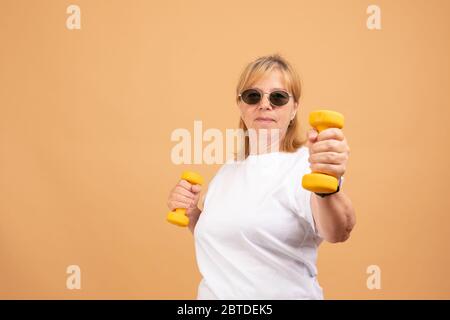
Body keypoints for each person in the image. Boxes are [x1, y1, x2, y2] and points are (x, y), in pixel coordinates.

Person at [167, 54, 356, 299]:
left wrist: (328, 187)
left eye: (278, 97)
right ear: (240, 105)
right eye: (253, 96)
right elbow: (229, 237)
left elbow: (338, 231)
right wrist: (193, 214)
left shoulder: (308, 165)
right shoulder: (228, 171)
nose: (264, 104)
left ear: (294, 108)